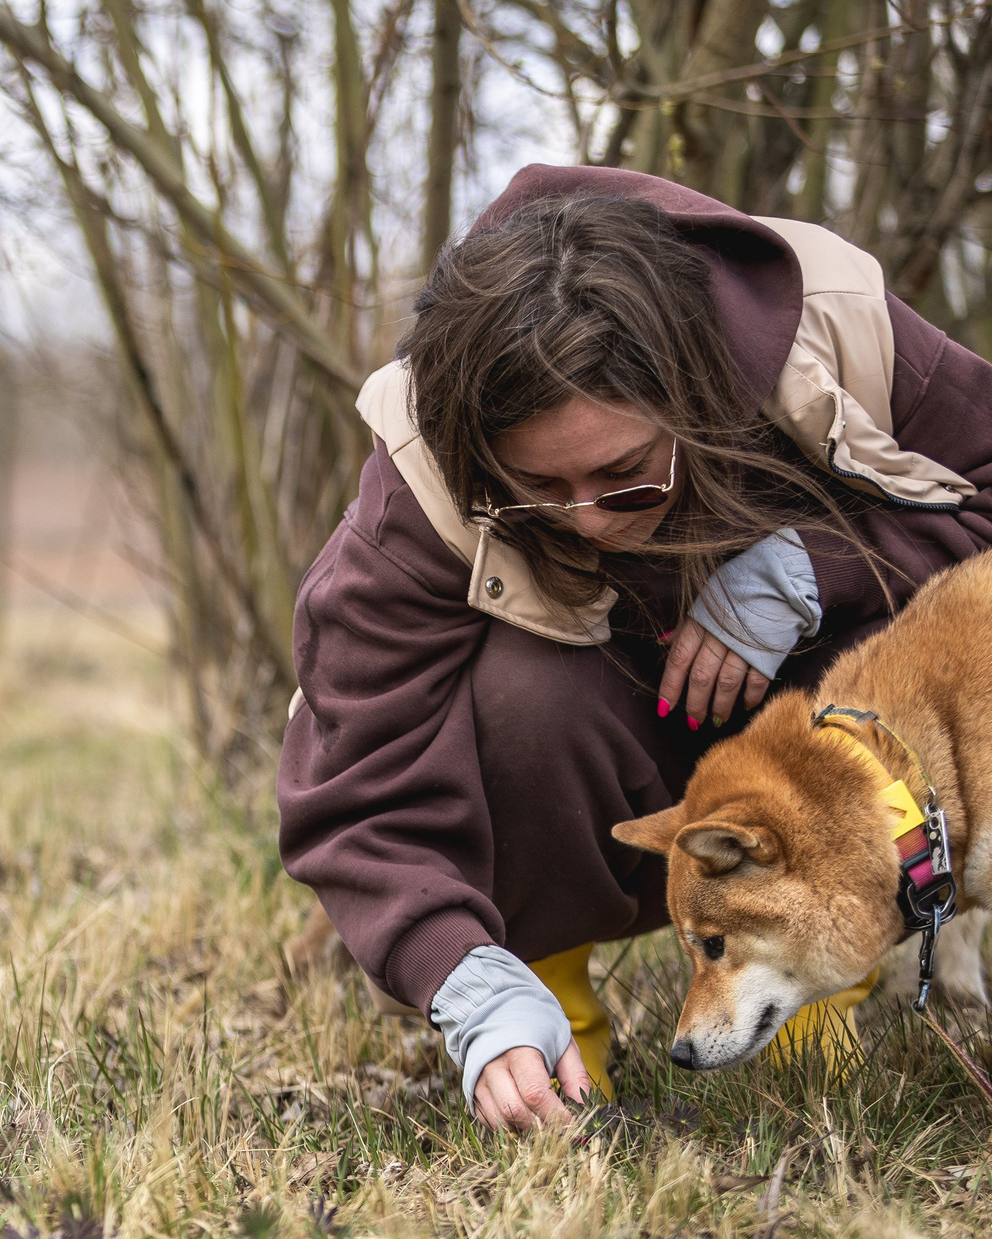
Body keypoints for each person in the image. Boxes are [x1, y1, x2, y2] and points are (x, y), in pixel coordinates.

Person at [280, 165, 992, 1132]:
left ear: (696, 400)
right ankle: (548, 1011)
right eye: (540, 489)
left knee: (899, 639)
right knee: (517, 699)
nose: (591, 523)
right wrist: (463, 976)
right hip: (599, 754)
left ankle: (819, 984)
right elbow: (355, 785)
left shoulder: (827, 324)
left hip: (811, 728)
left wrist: (814, 569)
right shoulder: (422, 472)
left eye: (625, 477)